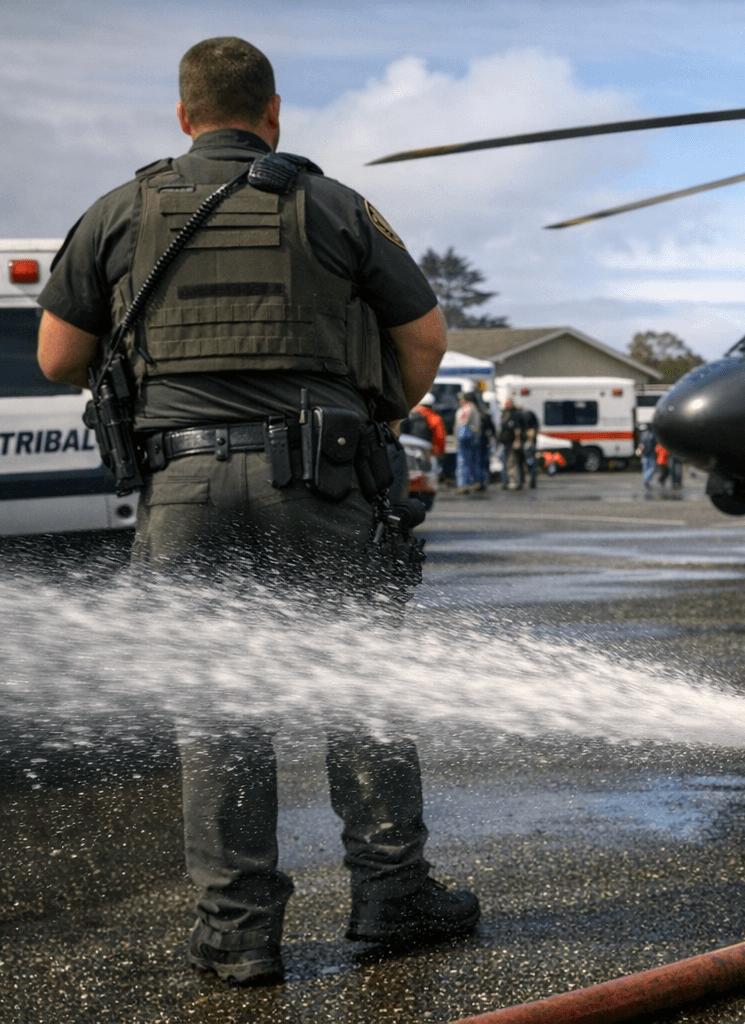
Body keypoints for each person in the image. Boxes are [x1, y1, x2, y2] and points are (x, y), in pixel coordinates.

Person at [34, 37, 477, 986]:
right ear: (273, 113)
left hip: (183, 490)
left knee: (218, 710)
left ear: (184, 114)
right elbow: (426, 336)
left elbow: (57, 358)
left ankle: (239, 935)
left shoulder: (117, 210)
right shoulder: (333, 205)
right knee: (359, 691)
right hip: (322, 482)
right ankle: (392, 897)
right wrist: (378, 413)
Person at [454, 391, 486, 493]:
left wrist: (457, 438)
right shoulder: (475, 408)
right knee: (475, 461)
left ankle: (463, 484)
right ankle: (478, 482)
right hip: (475, 437)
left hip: (466, 437)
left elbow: (463, 422)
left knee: (463, 461)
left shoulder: (467, 408)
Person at [498, 398, 523, 489]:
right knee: (505, 462)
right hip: (505, 442)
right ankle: (506, 481)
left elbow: (517, 429)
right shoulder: (504, 414)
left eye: (508, 403)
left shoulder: (514, 414)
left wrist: (517, 441)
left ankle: (515, 481)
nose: (507, 404)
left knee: (512, 463)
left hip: (512, 442)